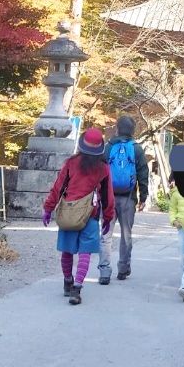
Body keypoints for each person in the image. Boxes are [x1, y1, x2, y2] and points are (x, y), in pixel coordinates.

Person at [42, 127, 115, 305]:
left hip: (69, 213)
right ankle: (77, 287)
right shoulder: (103, 169)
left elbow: (58, 187)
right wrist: (107, 216)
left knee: (67, 251)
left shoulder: (70, 163)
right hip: (90, 214)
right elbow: (107, 195)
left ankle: (67, 281)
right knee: (85, 253)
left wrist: (48, 208)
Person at [98, 115, 149, 283]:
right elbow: (143, 173)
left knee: (106, 234)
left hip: (108, 197)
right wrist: (143, 196)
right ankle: (123, 268)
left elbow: (99, 170)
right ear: (132, 130)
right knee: (126, 235)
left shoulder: (108, 146)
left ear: (117, 128)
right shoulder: (136, 148)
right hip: (128, 198)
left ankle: (104, 271)